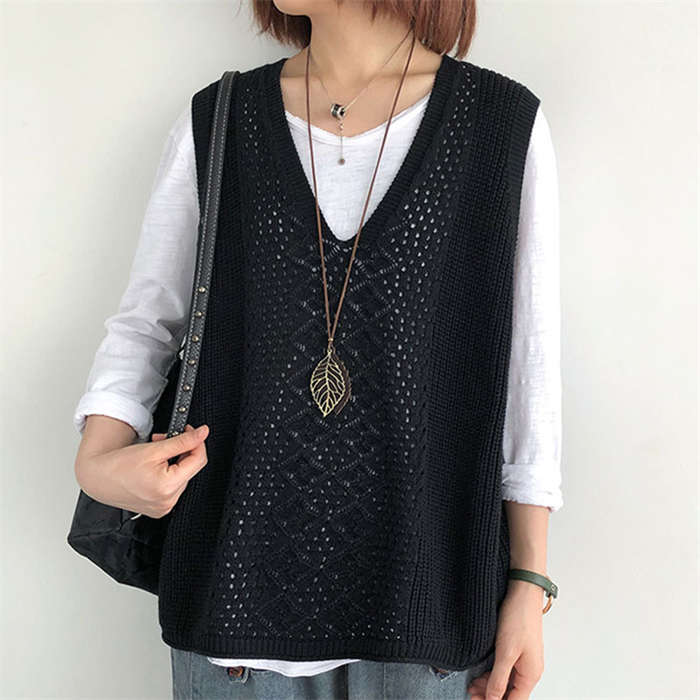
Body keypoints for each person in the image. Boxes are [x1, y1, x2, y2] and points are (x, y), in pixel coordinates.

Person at [72, 1, 563, 698]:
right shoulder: (221, 119)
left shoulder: (500, 125)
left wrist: (528, 583)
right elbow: (147, 323)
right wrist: (97, 462)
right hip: (234, 615)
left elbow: (528, 370)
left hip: (427, 612)